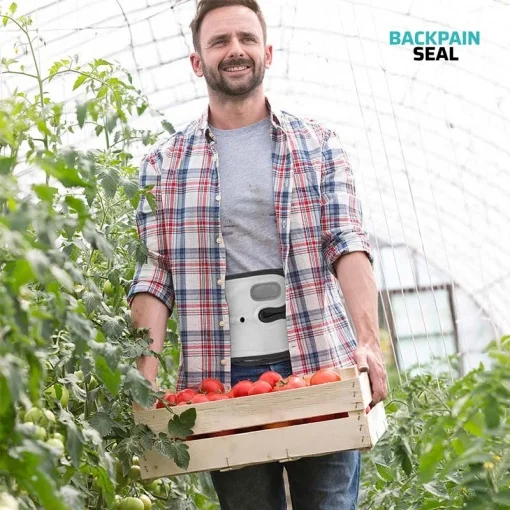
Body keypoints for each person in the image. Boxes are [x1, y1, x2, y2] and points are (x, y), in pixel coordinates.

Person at [128, 0, 388, 508]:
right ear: (197, 62)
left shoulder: (318, 146)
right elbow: (154, 275)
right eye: (220, 41)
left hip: (319, 364)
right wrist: (145, 379)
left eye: (246, 38)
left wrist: (369, 342)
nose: (235, 51)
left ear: (267, 52)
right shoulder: (163, 165)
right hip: (221, 380)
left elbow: (347, 244)